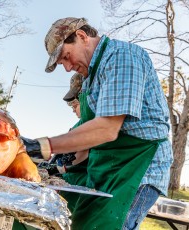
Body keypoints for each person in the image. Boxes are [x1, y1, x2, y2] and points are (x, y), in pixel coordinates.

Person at [22, 17, 173, 230]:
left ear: (82, 37)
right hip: (107, 169)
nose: (67, 68)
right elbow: (86, 132)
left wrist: (41, 147)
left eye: (66, 57)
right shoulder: (91, 78)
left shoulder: (122, 57)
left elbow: (106, 129)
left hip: (138, 169)